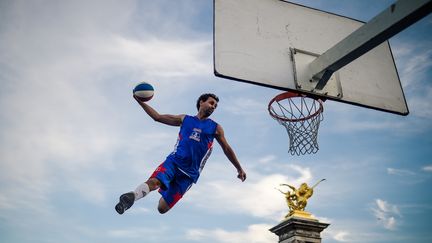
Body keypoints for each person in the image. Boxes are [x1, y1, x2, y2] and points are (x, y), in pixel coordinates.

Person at [115, 93, 246, 214]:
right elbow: (158, 117)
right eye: (211, 103)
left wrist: (239, 168)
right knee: (154, 182)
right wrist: (140, 101)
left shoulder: (216, 128)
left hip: (189, 174)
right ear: (201, 102)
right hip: (174, 162)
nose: (213, 107)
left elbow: (227, 149)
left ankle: (163, 187)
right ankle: (132, 197)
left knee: (162, 208)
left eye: (215, 106)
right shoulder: (185, 119)